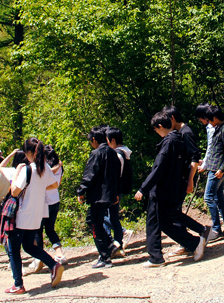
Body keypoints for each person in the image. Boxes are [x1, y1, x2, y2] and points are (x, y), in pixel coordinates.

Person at [135, 112, 208, 267]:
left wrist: (143, 188)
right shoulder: (178, 139)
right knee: (164, 222)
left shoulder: (169, 142)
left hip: (161, 189)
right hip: (171, 188)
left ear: (160, 126)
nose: (156, 132)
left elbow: (159, 168)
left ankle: (161, 256)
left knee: (157, 223)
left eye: (155, 129)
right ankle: (190, 243)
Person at [6, 138, 64, 294]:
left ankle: (18, 284)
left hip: (21, 215)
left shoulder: (27, 169)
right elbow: (54, 185)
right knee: (29, 246)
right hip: (36, 214)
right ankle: (53, 265)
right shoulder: (44, 168)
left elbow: (14, 191)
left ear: (29, 153)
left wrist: (16, 174)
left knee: (14, 249)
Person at [162, 106, 211, 257]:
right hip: (179, 178)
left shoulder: (186, 132)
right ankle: (186, 243)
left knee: (173, 212)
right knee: (176, 212)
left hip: (183, 178)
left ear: (172, 119)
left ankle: (198, 234)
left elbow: (194, 157)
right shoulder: (179, 132)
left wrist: (190, 179)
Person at [77, 127, 121, 269]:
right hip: (109, 195)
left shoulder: (96, 153)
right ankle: (110, 246)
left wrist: (81, 191)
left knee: (94, 223)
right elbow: (116, 176)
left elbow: (90, 174)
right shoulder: (113, 153)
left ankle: (105, 257)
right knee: (95, 221)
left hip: (98, 196)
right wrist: (115, 193)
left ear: (94, 140)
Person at [201, 105, 224, 241]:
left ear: (215, 117)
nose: (209, 122)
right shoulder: (218, 129)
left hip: (217, 170)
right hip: (214, 168)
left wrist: (222, 169)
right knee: (218, 198)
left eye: (210, 119)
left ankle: (216, 229)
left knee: (208, 197)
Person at [33, 145, 66, 265]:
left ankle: (39, 257)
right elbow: (58, 183)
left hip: (44, 202)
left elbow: (46, 174)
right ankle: (59, 253)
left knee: (38, 230)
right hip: (55, 200)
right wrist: (59, 165)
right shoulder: (59, 167)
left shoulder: (45, 168)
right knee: (50, 228)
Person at [103, 127, 133, 257]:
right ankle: (116, 242)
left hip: (114, 190)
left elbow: (116, 174)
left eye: (107, 141)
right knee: (112, 215)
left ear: (113, 140)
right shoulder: (124, 152)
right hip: (117, 189)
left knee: (110, 216)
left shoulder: (118, 154)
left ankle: (119, 238)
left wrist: (113, 191)